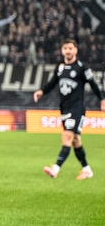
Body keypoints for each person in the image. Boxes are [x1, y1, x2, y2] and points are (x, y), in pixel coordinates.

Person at [34, 38, 105, 180]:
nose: (68, 51)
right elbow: (52, 83)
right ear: (62, 51)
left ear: (75, 50)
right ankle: (87, 170)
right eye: (65, 48)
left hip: (77, 108)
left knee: (67, 136)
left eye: (70, 48)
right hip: (65, 109)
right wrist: (42, 91)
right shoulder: (60, 68)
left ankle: (55, 169)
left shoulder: (82, 67)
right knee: (75, 141)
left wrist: (102, 99)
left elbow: (93, 85)